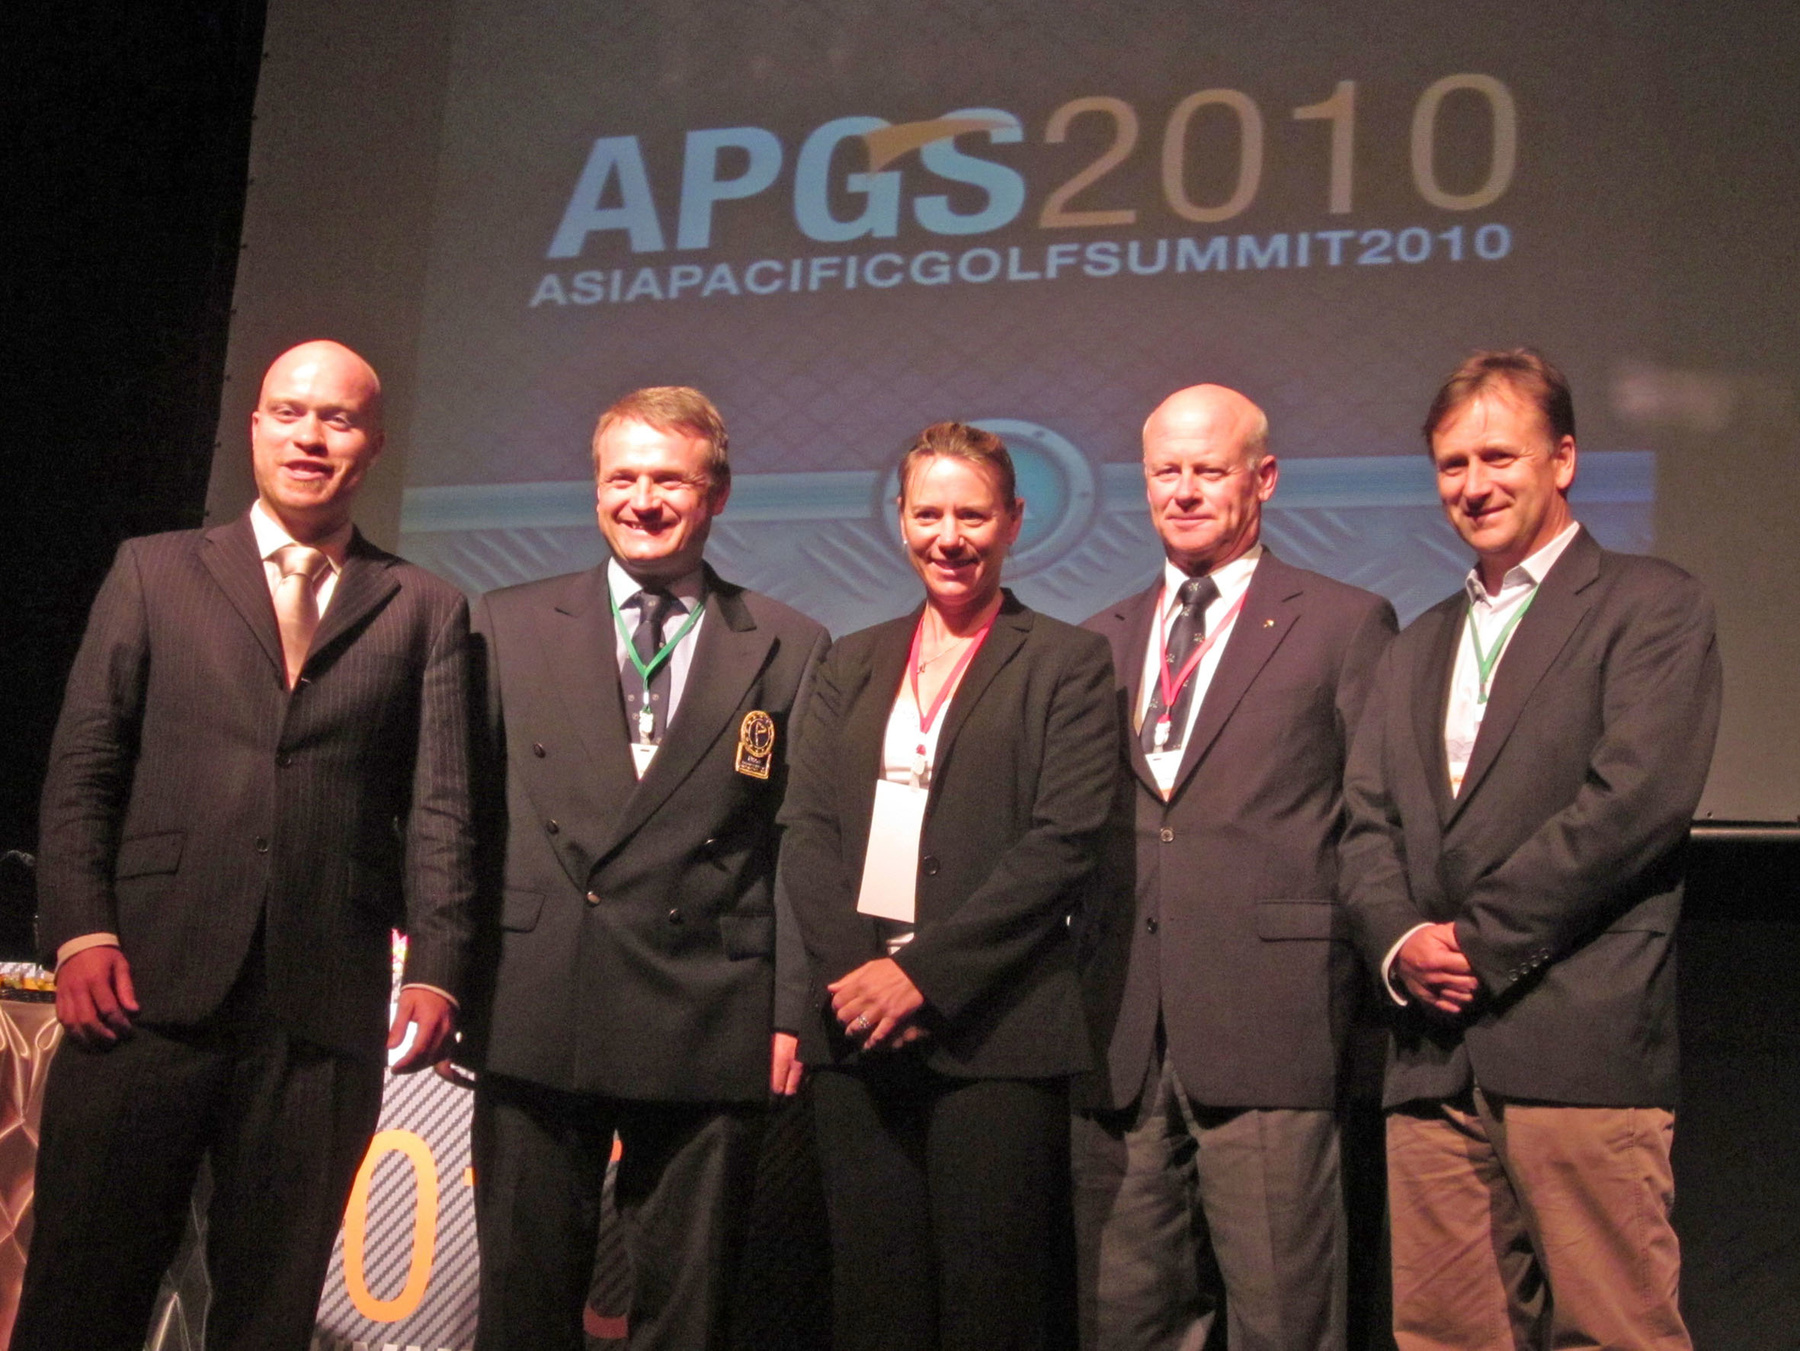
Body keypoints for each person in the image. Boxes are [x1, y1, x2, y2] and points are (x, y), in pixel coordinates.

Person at [18, 340, 473, 1351]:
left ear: (375, 445)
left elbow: (441, 806)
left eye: (339, 419)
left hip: (320, 1007)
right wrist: (82, 930)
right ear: (255, 426)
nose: (312, 435)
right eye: (291, 412)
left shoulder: (428, 607)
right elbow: (85, 768)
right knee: (81, 1288)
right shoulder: (153, 569)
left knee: (269, 1310)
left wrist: (438, 967)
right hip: (143, 986)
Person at [1340, 349, 1721, 1350]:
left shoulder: (1650, 604)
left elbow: (1634, 802)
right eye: (1451, 463)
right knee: (1445, 1333)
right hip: (1431, 1054)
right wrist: (1398, 944)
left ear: (1563, 459)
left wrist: (1479, 940)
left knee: (1614, 1329)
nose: (1474, 484)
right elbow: (1366, 824)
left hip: (1577, 1038)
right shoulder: (1413, 642)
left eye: (1498, 456)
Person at [458, 386, 829, 1350]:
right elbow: (457, 818)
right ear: (594, 492)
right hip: (539, 997)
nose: (642, 499)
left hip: (710, 999)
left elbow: (799, 842)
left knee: (688, 1308)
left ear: (717, 494)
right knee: (524, 1297)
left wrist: (792, 1007)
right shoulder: (505, 622)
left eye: (669, 478)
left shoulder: (790, 641)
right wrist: (443, 974)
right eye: (621, 478)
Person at [780, 421, 1119, 1351]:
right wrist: (858, 975)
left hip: (996, 1031)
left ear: (1014, 521)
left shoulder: (1068, 661)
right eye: (929, 513)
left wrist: (922, 976)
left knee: (992, 1305)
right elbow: (806, 832)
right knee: (875, 1302)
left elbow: (1064, 842)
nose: (950, 535)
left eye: (973, 513)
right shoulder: (848, 659)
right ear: (900, 521)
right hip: (856, 1029)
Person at [1070, 384, 1397, 1351]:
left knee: (1285, 1317)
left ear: (1263, 479)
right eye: (1165, 471)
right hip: (1120, 1016)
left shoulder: (1343, 621)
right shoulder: (1099, 638)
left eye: (1207, 470)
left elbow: (1376, 815)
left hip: (1272, 1015)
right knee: (1125, 1316)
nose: (1183, 490)